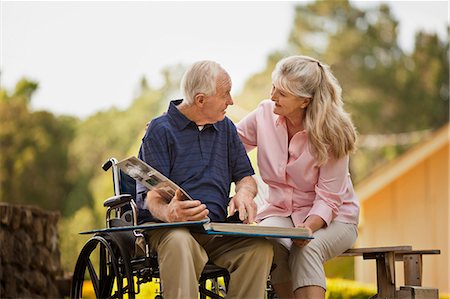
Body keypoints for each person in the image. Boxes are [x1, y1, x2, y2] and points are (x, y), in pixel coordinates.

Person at [136, 60, 274, 299]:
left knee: (259, 249)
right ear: (200, 100)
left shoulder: (227, 129)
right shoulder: (160, 130)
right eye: (225, 94)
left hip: (216, 230)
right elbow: (152, 196)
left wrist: (243, 193)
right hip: (170, 230)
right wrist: (170, 213)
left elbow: (245, 177)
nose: (231, 101)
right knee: (180, 241)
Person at [237, 55, 359, 299]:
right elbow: (228, 144)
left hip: (335, 218)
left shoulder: (334, 132)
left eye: (282, 93)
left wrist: (308, 228)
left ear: (304, 101)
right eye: (274, 87)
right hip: (280, 211)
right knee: (265, 242)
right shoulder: (264, 114)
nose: (272, 96)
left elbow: (329, 199)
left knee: (307, 249)